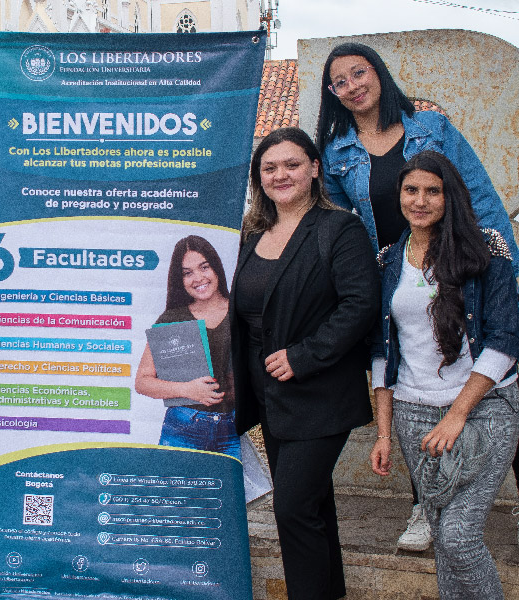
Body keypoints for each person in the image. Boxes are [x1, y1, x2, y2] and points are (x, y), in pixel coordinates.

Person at [316, 41, 519, 551]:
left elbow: (479, 196)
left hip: (459, 268)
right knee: (416, 393)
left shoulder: (431, 128)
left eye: (359, 72)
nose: (352, 86)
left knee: (495, 379)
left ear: (378, 73)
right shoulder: (336, 154)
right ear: (333, 94)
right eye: (339, 82)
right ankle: (424, 506)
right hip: (399, 275)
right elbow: (342, 229)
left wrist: (502, 270)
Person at [230, 127, 379, 600]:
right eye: (269, 167)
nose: (281, 175)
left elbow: (361, 304)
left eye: (292, 164)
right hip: (269, 394)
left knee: (292, 508)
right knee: (313, 506)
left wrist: (304, 356)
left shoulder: (339, 229)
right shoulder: (252, 234)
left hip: (320, 391)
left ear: (314, 168)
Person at [369, 150, 519, 598]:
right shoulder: (388, 260)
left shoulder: (486, 247)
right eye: (411, 190)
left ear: (449, 196)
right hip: (414, 414)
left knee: (458, 537)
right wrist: (383, 433)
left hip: (484, 409)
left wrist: (457, 415)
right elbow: (382, 352)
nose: (420, 201)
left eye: (432, 191)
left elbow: (506, 337)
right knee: (442, 535)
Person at [135, 235, 239, 459]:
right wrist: (187, 390)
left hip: (233, 430)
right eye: (187, 273)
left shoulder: (240, 311)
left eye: (204, 267)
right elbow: (142, 382)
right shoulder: (173, 319)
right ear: (179, 279)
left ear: (216, 268)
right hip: (183, 429)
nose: (198, 278)